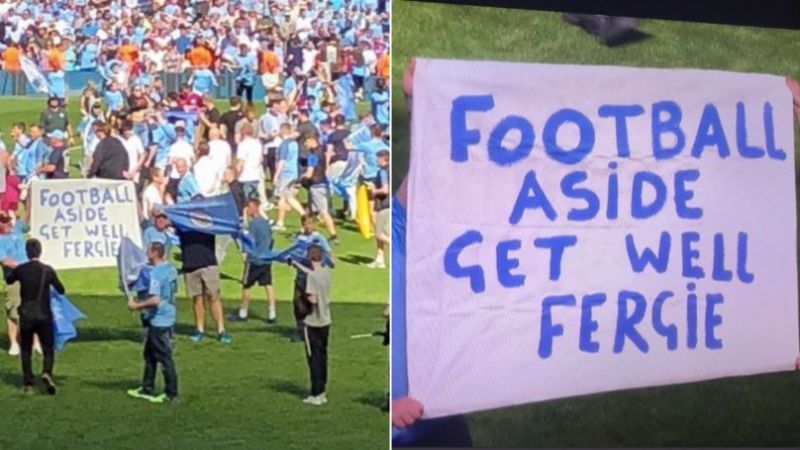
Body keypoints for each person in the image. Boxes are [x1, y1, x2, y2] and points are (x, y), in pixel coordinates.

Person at [5, 238, 65, 395]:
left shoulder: (22, 270)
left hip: (26, 313)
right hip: (44, 313)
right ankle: (46, 372)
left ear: (26, 253)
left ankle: (28, 383)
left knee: (25, 350)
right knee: (48, 348)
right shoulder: (47, 270)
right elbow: (61, 289)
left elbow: (9, 279)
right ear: (40, 251)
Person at [126, 242, 179, 404]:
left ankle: (171, 393)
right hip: (169, 314)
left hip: (159, 320)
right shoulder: (171, 269)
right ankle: (147, 387)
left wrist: (136, 305)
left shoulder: (156, 274)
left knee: (164, 357)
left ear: (154, 253)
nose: (146, 253)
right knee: (149, 355)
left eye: (148, 250)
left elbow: (155, 299)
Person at [292, 244, 331, 406]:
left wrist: (303, 295)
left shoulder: (312, 278)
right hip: (326, 321)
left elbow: (313, 299)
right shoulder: (326, 273)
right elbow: (314, 275)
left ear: (309, 257)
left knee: (313, 359)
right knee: (323, 357)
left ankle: (315, 393)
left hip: (312, 322)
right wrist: (297, 266)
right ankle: (322, 391)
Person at [176, 228, 230, 344]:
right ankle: (199, 329)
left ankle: (221, 330)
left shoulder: (207, 221)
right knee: (197, 298)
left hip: (208, 263)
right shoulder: (182, 221)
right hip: (190, 264)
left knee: (214, 296)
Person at [229, 198, 277, 323]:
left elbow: (249, 240)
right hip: (266, 258)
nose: (248, 210)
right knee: (268, 284)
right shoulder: (266, 223)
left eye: (249, 207)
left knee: (246, 286)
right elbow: (271, 240)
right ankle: (272, 312)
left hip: (254, 260)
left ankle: (243, 312)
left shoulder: (253, 224)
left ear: (254, 207)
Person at [289, 214, 332, 343]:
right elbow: (293, 251)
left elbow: (328, 254)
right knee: (298, 304)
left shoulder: (319, 239)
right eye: (305, 224)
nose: (307, 227)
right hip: (301, 276)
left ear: (314, 224)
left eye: (309, 224)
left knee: (312, 305)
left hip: (313, 278)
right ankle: (301, 331)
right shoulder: (299, 238)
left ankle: (312, 329)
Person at [273, 123, 305, 231]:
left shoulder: (284, 144)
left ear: (282, 130)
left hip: (285, 174)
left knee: (281, 197)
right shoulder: (294, 144)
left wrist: (276, 175)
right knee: (289, 198)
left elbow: (282, 160)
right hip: (293, 173)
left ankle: (280, 222)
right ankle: (304, 216)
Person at [366, 149, 389, 269]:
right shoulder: (391, 170)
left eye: (378, 158)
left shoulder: (383, 172)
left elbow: (385, 190)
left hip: (383, 205)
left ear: (383, 158)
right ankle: (380, 260)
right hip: (390, 206)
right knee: (383, 233)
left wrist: (374, 190)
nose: (376, 160)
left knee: (379, 233)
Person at [235, 122, 262, 200]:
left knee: (246, 202)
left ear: (242, 133)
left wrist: (236, 174)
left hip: (245, 176)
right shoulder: (258, 144)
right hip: (255, 175)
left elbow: (241, 163)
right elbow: (260, 159)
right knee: (253, 200)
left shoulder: (243, 145)